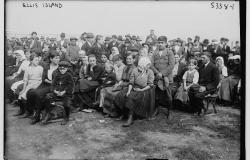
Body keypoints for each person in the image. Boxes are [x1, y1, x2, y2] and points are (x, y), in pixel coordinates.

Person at [114, 56, 154, 127]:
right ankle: (123, 114)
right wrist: (129, 90)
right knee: (120, 95)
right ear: (142, 64)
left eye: (149, 65)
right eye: (147, 65)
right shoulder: (135, 70)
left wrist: (141, 90)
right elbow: (131, 82)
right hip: (133, 87)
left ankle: (130, 118)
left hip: (144, 89)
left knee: (131, 98)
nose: (148, 66)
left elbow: (150, 85)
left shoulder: (150, 72)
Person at [26, 51, 60, 124]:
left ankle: (37, 115)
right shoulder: (47, 66)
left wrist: (51, 82)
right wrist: (48, 81)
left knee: (39, 94)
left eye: (58, 58)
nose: (58, 60)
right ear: (51, 59)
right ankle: (32, 111)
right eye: (56, 58)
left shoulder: (60, 67)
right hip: (45, 84)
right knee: (31, 92)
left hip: (54, 86)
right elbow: (44, 78)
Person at [42, 61, 74, 125]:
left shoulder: (69, 76)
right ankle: (48, 114)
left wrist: (64, 92)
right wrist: (55, 91)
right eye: (60, 69)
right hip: (56, 92)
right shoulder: (57, 75)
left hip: (65, 93)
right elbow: (52, 85)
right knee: (47, 97)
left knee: (67, 104)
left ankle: (66, 117)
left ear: (66, 69)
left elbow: (71, 86)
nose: (62, 70)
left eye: (64, 69)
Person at [16, 53, 43, 118]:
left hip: (38, 83)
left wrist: (37, 86)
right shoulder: (28, 69)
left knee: (27, 94)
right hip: (30, 84)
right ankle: (23, 111)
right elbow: (25, 80)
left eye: (38, 60)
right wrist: (23, 89)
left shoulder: (40, 68)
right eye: (35, 60)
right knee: (21, 95)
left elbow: (42, 79)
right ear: (31, 61)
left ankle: (30, 112)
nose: (37, 61)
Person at [151, 36, 175, 110]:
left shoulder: (169, 52)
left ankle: (170, 111)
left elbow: (171, 65)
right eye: (159, 43)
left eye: (162, 43)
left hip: (167, 77)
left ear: (166, 43)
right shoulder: (155, 53)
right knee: (157, 96)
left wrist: (162, 74)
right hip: (157, 77)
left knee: (168, 97)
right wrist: (157, 73)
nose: (160, 44)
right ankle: (156, 110)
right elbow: (151, 65)